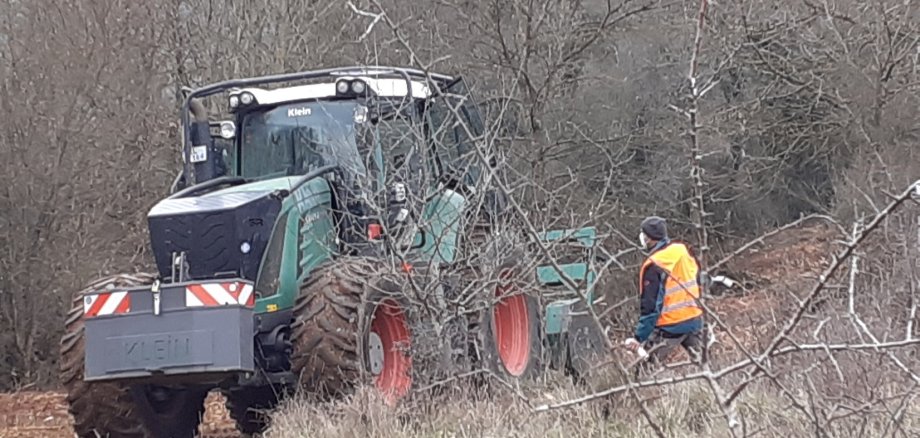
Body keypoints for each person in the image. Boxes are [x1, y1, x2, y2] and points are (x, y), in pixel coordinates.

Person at [625, 216, 707, 369]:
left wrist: (638, 337)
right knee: (705, 367)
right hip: (694, 319)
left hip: (670, 327)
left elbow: (650, 307)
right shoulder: (681, 250)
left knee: (645, 371)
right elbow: (699, 279)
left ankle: (641, 390)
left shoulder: (654, 264)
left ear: (649, 238)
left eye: (643, 234)